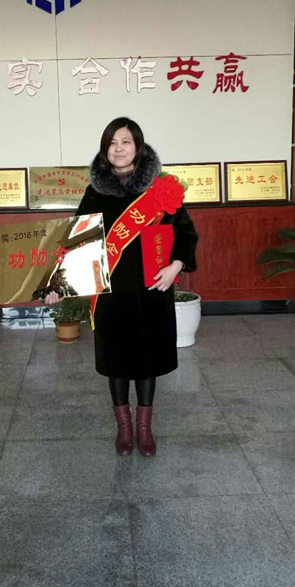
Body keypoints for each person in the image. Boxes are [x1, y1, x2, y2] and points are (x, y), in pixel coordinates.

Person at [45, 117, 197, 457]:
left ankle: (144, 429)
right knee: (116, 361)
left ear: (138, 147)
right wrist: (56, 283)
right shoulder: (95, 192)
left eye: (125, 142)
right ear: (105, 149)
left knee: (146, 361)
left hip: (152, 289)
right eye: (112, 143)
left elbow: (185, 233)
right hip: (111, 293)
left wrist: (175, 266)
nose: (119, 149)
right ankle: (124, 429)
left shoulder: (160, 188)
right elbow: (77, 242)